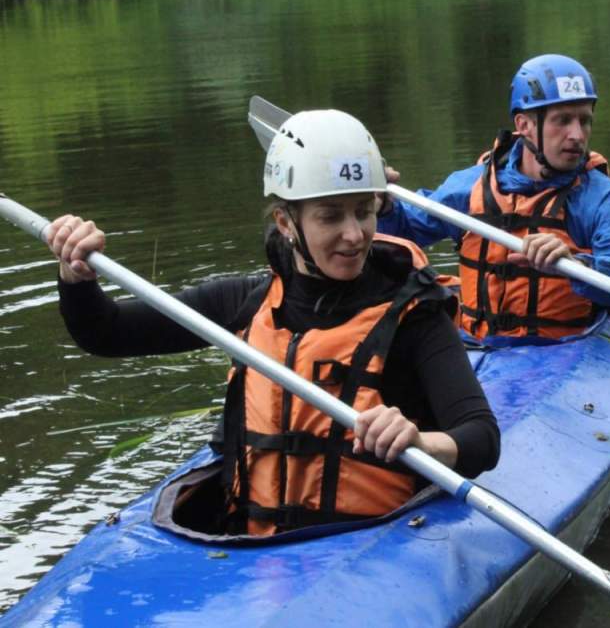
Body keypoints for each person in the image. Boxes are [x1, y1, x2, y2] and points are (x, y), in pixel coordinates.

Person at [46, 109, 500, 536]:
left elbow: (481, 438)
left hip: (371, 546)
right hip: (254, 555)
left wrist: (421, 441)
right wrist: (76, 276)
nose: (355, 233)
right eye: (330, 215)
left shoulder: (414, 314)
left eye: (363, 209)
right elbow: (104, 332)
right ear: (286, 221)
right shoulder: (243, 302)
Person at [377, 54, 610, 344]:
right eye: (562, 120)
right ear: (524, 125)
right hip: (477, 345)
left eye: (584, 121)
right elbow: (403, 231)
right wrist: (380, 205)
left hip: (565, 348)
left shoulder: (598, 196)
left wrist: (578, 266)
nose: (577, 134)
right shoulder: (471, 186)